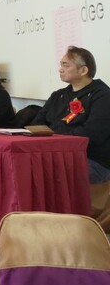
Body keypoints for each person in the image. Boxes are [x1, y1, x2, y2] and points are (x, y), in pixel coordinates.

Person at [32, 46, 110, 183]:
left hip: (92, 160)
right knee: (26, 165)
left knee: (45, 171)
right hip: (54, 153)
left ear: (83, 70)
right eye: (61, 64)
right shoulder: (58, 95)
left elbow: (93, 133)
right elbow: (37, 124)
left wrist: (53, 139)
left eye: (66, 65)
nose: (60, 69)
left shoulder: (102, 95)